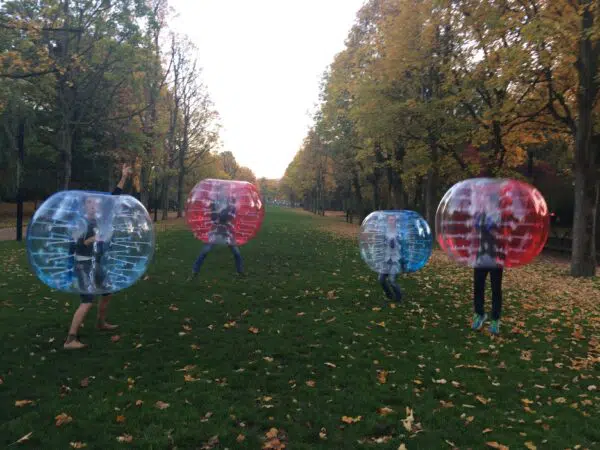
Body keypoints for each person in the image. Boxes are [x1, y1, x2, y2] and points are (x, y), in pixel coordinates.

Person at [64, 163, 132, 350]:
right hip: (83, 265)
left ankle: (101, 323)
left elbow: (113, 198)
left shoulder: (98, 219)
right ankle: (70, 340)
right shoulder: (80, 223)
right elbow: (74, 246)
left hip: (95, 264)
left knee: (107, 292)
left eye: (95, 204)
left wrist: (123, 177)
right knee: (87, 302)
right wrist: (90, 240)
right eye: (90, 204)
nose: (94, 206)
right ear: (85, 206)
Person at [188, 193, 244, 280]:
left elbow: (230, 217)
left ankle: (240, 272)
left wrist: (222, 214)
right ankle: (194, 272)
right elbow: (214, 217)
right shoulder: (214, 204)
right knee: (205, 251)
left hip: (227, 233)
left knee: (236, 253)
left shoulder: (232, 206)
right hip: (215, 232)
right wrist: (222, 214)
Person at [471, 207, 503, 335]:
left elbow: (504, 235)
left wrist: (494, 227)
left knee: (496, 289)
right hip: (481, 257)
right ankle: (479, 314)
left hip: (496, 258)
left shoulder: (500, 215)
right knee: (478, 287)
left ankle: (495, 319)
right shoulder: (480, 214)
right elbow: (475, 233)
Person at [378, 215, 404, 303]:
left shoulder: (399, 232)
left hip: (395, 259)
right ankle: (389, 295)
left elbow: (402, 245)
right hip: (386, 259)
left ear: (395, 221)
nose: (391, 221)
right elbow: (381, 244)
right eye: (389, 220)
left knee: (392, 281)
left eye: (393, 220)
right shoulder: (385, 231)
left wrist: (395, 243)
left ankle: (399, 297)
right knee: (381, 279)